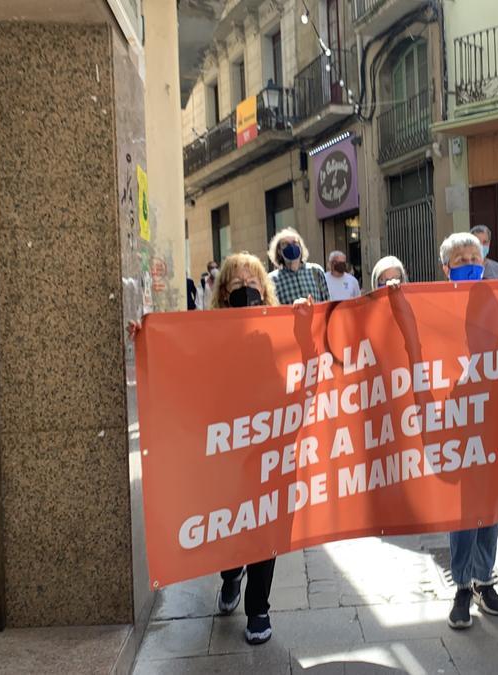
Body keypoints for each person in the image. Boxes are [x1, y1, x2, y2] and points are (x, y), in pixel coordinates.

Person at [126, 253, 281, 646]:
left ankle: (258, 607)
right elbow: (179, 364)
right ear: (223, 292)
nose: (246, 286)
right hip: (224, 447)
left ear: (264, 287)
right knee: (228, 518)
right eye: (236, 281)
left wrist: (305, 324)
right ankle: (230, 574)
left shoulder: (280, 326)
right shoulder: (207, 330)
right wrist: (147, 341)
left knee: (265, 522)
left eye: (253, 279)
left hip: (268, 444)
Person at [437, 232, 498, 629]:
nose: (468, 260)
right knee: (464, 507)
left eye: (474, 255)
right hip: (456, 415)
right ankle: (462, 585)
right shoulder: (431, 303)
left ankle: (485, 580)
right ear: (446, 268)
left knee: (492, 502)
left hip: (493, 412)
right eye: (460, 257)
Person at [267, 228, 330, 305]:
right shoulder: (272, 280)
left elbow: (326, 305)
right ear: (279, 251)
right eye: (285, 244)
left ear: (300, 247)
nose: (291, 246)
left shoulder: (316, 271)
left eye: (295, 243)